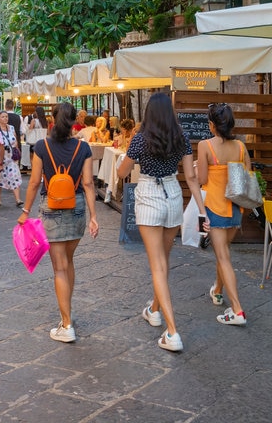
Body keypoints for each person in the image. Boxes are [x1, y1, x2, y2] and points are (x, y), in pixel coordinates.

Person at [117, 92, 204, 352]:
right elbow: (190, 177)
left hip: (149, 196)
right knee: (163, 263)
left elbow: (122, 172)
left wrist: (126, 159)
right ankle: (154, 310)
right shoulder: (182, 138)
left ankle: (173, 332)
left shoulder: (141, 139)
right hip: (173, 195)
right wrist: (202, 210)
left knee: (157, 266)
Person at [18, 102, 99, 343]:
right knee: (69, 262)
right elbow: (87, 184)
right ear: (75, 121)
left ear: (53, 119)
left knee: (59, 268)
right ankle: (67, 313)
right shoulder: (83, 148)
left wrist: (25, 210)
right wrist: (94, 216)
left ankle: (67, 324)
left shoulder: (42, 146)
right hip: (77, 208)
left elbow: (33, 183)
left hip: (51, 208)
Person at [196, 102, 249, 326]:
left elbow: (202, 180)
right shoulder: (240, 146)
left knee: (223, 257)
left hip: (215, 207)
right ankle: (217, 290)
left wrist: (200, 168)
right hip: (236, 207)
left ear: (211, 125)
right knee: (223, 253)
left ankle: (237, 309)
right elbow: (247, 174)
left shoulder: (205, 145)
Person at [0, 110, 23, 207]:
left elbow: (15, 140)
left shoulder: (11, 128)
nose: (5, 118)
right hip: (0, 157)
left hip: (11, 158)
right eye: (3, 117)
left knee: (14, 176)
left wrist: (17, 150)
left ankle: (18, 199)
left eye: (6, 116)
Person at [5, 98, 24, 171]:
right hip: (16, 142)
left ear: (5, 106)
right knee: (16, 160)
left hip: (5, 143)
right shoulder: (19, 117)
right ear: (13, 106)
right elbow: (22, 131)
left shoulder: (2, 117)